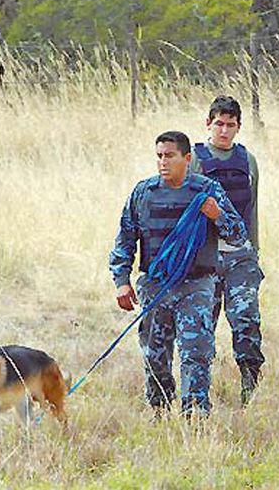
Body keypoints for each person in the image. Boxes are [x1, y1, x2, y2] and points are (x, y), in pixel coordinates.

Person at [109, 130, 247, 418]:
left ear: (187, 158)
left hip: (196, 286)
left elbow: (237, 236)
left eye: (169, 155)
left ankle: (195, 415)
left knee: (196, 352)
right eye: (159, 156)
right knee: (154, 355)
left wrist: (217, 216)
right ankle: (159, 408)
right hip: (155, 287)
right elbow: (125, 239)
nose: (163, 162)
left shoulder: (208, 192)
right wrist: (122, 282)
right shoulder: (143, 193)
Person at [188, 96, 265, 405]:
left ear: (238, 128)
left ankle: (250, 382)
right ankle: (198, 389)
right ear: (208, 124)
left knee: (246, 319)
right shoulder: (194, 158)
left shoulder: (248, 161)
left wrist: (254, 250)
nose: (224, 130)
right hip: (205, 255)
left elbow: (253, 208)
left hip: (240, 254)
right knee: (203, 323)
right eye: (218, 123)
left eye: (230, 125)